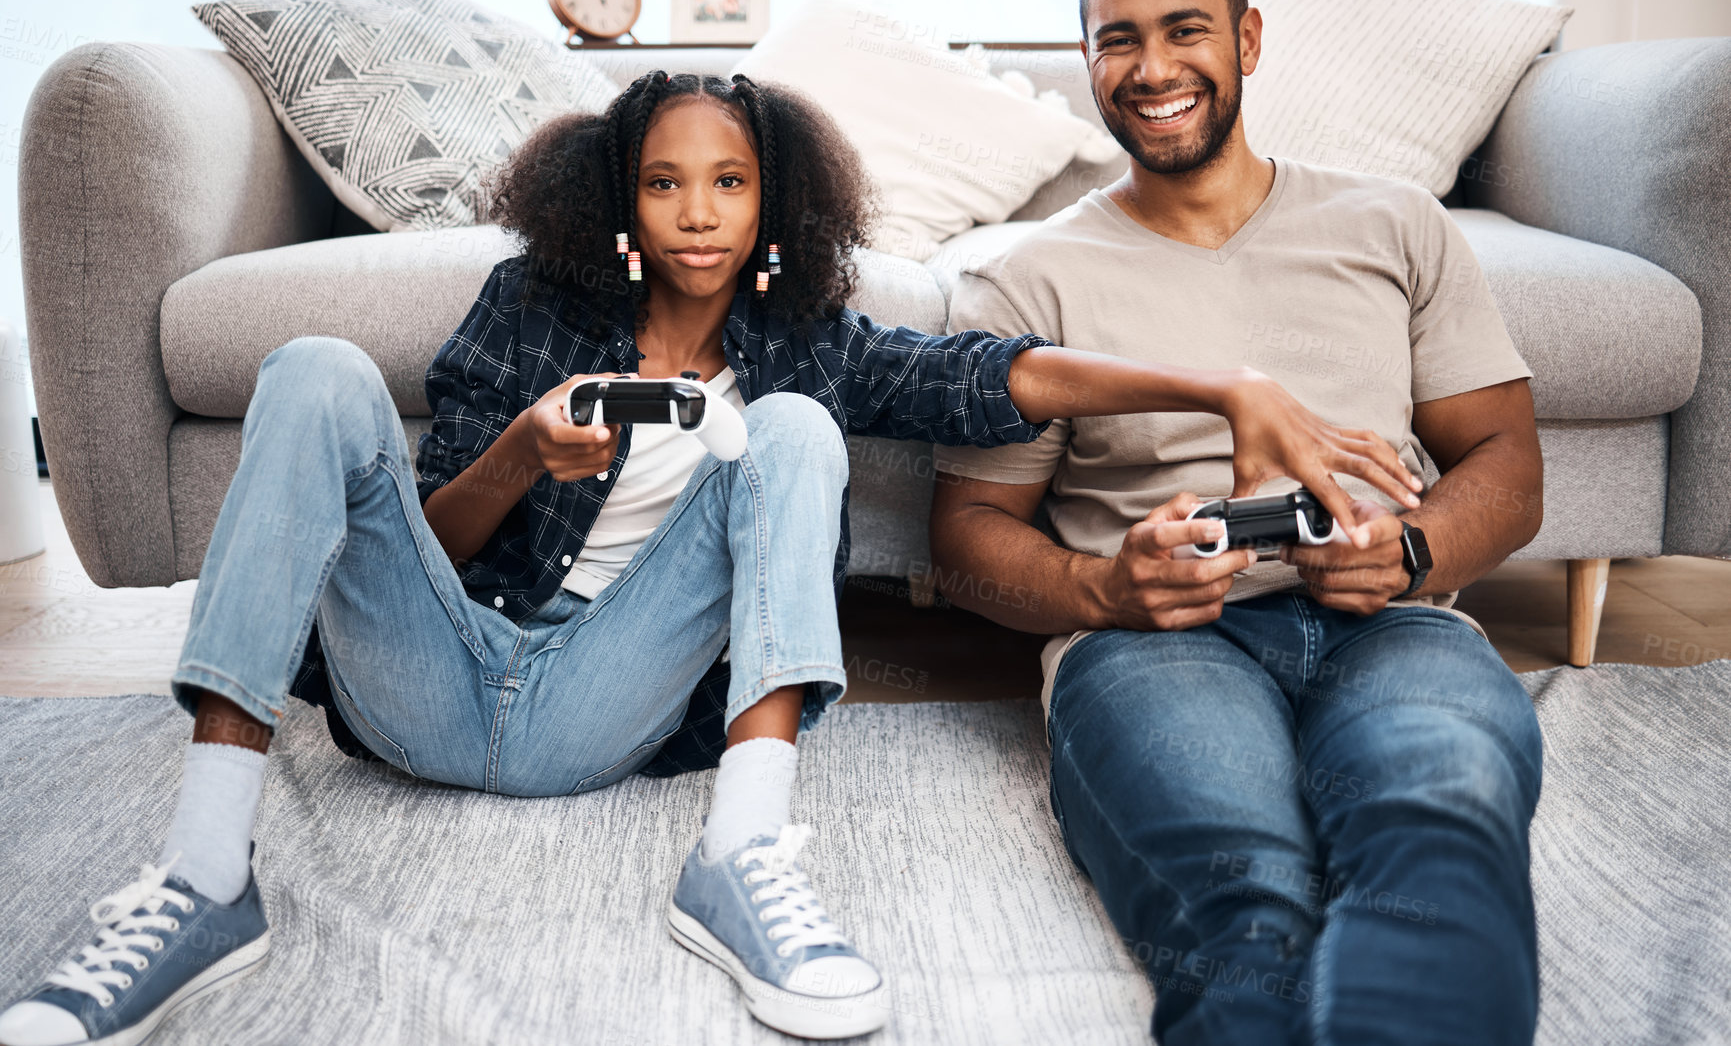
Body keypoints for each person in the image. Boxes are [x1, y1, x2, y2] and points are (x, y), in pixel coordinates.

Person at [0, 69, 1418, 1046]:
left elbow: (995, 378)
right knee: (310, 368)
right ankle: (199, 874)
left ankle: (740, 857)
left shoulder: (804, 336)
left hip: (596, 707)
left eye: (727, 181)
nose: (695, 210)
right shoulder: (529, 308)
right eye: (665, 182)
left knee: (796, 426)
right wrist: (514, 459)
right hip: (422, 683)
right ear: (615, 199)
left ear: (769, 201)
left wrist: (1217, 387)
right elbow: (415, 544)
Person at [928, 0, 1547, 1046]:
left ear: (1249, 39)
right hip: (1156, 646)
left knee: (1441, 831)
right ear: (1087, 62)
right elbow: (966, 534)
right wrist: (1109, 591)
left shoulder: (1393, 221)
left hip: (1397, 624)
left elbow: (1508, 460)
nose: (1153, 69)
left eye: (1185, 31)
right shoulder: (1027, 279)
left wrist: (1411, 551)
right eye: (1119, 40)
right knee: (1244, 898)